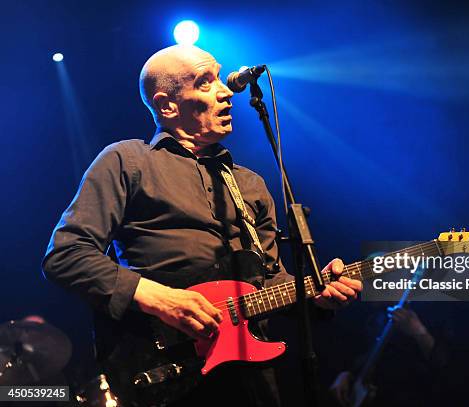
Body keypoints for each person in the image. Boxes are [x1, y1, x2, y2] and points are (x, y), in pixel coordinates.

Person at [42, 44, 362, 406]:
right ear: (167, 106)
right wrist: (160, 299)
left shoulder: (250, 184)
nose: (226, 91)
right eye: (205, 83)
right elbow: (66, 256)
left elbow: (270, 280)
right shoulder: (128, 161)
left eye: (218, 78)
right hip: (163, 368)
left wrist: (318, 294)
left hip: (249, 376)